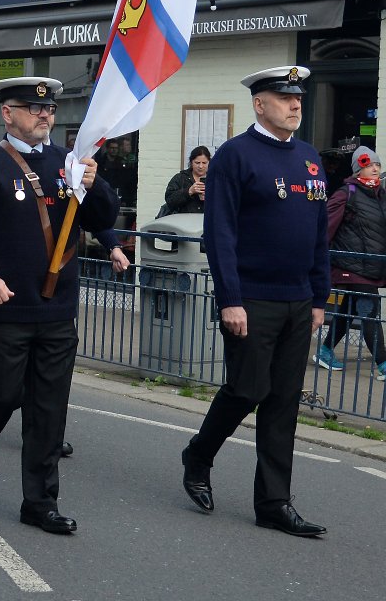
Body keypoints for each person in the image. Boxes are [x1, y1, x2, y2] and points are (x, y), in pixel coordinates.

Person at [0, 76, 117, 535]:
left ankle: (40, 502)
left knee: (49, 407)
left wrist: (94, 182)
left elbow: (101, 218)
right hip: (5, 305)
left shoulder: (68, 164)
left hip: (57, 308)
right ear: (8, 114)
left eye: (48, 109)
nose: (44, 115)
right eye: (32, 108)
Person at [181, 65, 329, 538]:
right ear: (259, 104)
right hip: (251, 298)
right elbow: (220, 233)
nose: (295, 105)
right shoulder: (235, 156)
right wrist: (230, 298)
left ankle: (273, 502)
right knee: (247, 390)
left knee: (283, 402)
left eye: (299, 98)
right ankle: (199, 454)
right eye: (284, 98)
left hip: (298, 299)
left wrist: (319, 296)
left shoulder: (309, 158)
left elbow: (317, 234)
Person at [313, 146, 386, 379]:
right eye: (368, 165)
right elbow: (325, 228)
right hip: (351, 265)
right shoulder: (346, 193)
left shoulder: (380, 194)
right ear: (357, 170)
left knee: (347, 309)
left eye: (377, 164)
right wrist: (316, 259)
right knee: (369, 310)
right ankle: (384, 363)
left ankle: (325, 351)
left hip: (370, 265)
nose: (374, 168)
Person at [162, 146, 210, 216]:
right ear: (191, 162)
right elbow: (170, 200)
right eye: (197, 163)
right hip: (183, 222)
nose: (200, 166)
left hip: (207, 222)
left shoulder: (215, 179)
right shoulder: (180, 178)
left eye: (204, 163)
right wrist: (189, 191)